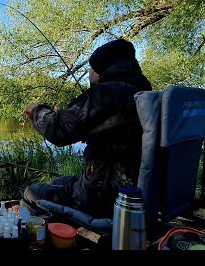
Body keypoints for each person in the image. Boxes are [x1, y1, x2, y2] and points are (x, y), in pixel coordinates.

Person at [23, 39, 152, 218]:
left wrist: (36, 110)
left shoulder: (108, 96)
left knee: (32, 191)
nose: (89, 73)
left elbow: (59, 129)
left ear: (100, 70)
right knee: (58, 181)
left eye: (91, 68)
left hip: (102, 196)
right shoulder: (143, 94)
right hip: (131, 188)